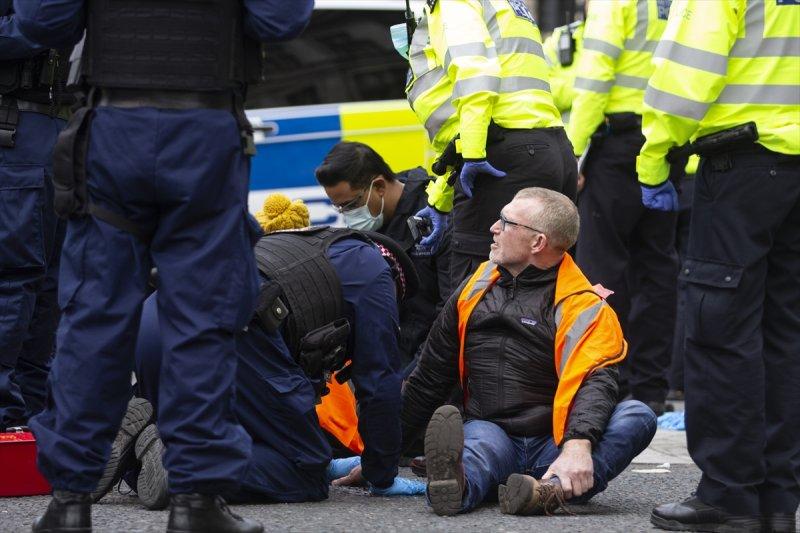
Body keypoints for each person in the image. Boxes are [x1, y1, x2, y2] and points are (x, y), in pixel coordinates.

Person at [12, 1, 313, 532]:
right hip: (203, 130)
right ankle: (196, 501)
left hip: (111, 131)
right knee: (202, 321)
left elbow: (42, 22)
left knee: (92, 320)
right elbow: (281, 20)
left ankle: (69, 501)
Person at [114, 196, 422, 509]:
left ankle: (118, 450)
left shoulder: (307, 246)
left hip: (155, 318)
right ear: (398, 283)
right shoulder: (378, 276)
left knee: (182, 426)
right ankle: (184, 466)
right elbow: (380, 382)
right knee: (305, 471)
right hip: (233, 326)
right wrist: (380, 475)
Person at [636, 1, 800, 531]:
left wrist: (655, 153)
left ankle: (730, 495)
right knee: (784, 337)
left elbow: (689, 69)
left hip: (742, 167)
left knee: (719, 331)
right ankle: (776, 500)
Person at [401, 187, 657, 516]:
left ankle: (547, 491)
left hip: (557, 439)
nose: (494, 228)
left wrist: (578, 445)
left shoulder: (585, 307)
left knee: (637, 415)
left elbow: (597, 384)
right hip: (491, 432)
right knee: (477, 449)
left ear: (537, 243)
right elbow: (429, 377)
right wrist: (380, 461)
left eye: (506, 222)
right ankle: (457, 486)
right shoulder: (473, 289)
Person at [402, 0, 577, 287]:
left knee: (479, 289)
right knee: (549, 287)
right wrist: (440, 201)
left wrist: (472, 154)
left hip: (503, 157)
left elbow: (475, 77)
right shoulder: (506, 3)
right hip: (551, 149)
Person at [565, 0, 679, 415]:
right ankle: (650, 389)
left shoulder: (617, 3)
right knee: (659, 267)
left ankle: (604, 381)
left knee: (603, 268)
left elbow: (595, 78)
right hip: (667, 141)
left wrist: (574, 154)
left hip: (619, 146)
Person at [315, 141, 451, 370]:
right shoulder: (371, 228)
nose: (347, 215)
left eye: (350, 205)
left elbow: (449, 312)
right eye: (339, 208)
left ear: (379, 186)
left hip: (433, 365)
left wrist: (412, 379)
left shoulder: (438, 215)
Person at [0, 2, 71, 432]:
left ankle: (29, 412)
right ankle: (5, 412)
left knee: (49, 284)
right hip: (12, 131)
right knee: (13, 278)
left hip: (56, 133)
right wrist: (52, 19)